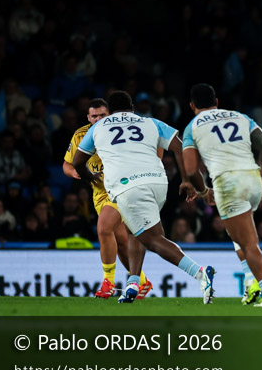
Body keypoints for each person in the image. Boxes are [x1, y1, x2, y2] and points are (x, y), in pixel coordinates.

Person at [71, 90, 215, 304]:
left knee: (153, 239)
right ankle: (133, 283)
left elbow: (77, 162)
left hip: (128, 186)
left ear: (109, 111)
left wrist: (90, 178)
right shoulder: (150, 122)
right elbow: (180, 146)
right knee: (136, 230)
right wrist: (185, 180)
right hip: (158, 183)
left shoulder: (99, 127)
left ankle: (200, 273)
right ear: (132, 108)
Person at [181, 83, 262, 308]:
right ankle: (250, 283)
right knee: (239, 234)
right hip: (253, 179)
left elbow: (189, 170)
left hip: (228, 183)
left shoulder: (192, 127)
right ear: (217, 103)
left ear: (192, 105)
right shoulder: (241, 117)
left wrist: (204, 190)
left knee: (248, 243)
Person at [63, 98, 151, 298]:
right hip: (99, 193)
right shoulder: (81, 135)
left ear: (110, 115)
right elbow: (67, 165)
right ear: (88, 117)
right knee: (120, 241)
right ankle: (142, 281)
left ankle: (108, 283)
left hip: (122, 188)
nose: (98, 119)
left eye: (102, 115)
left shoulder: (120, 131)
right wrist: (76, 173)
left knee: (103, 228)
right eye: (94, 116)